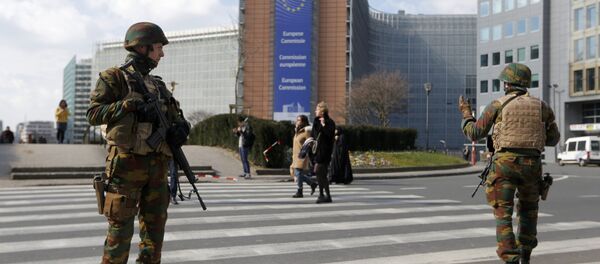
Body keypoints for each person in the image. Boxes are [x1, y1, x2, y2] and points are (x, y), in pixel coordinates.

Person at [87, 22, 190, 263]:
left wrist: (182, 128)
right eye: (158, 48)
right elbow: (93, 114)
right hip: (126, 164)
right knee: (119, 232)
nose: (162, 53)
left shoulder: (159, 85)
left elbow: (177, 116)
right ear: (142, 48)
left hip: (157, 166)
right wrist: (131, 106)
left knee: (155, 234)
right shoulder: (114, 77)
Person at [459, 63, 560, 264]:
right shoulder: (542, 107)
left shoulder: (498, 105)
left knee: (503, 214)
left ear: (507, 83)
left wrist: (466, 114)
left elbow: (474, 133)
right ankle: (526, 256)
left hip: (504, 165)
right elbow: (553, 139)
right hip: (532, 166)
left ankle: (510, 259)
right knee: (529, 211)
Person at [309, 101, 336, 203]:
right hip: (317, 151)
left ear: (322, 110)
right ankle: (326, 195)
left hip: (325, 151)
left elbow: (330, 135)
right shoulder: (316, 122)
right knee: (321, 174)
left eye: (317, 109)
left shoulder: (329, 122)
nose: (315, 111)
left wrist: (324, 125)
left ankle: (322, 195)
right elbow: (313, 135)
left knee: (319, 171)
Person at [290, 115, 317, 198]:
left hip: (302, 155)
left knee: (298, 173)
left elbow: (311, 142)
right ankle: (312, 183)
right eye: (297, 120)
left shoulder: (307, 131)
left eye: (299, 120)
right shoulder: (297, 131)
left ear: (304, 122)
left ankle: (299, 191)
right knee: (296, 173)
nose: (297, 121)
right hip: (295, 156)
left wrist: (306, 151)